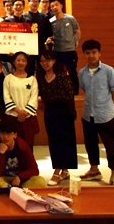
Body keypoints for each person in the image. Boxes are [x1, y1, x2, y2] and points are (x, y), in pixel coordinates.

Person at [78, 39, 114, 186]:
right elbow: (83, 89)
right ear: (84, 54)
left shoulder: (109, 71)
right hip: (88, 115)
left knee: (110, 145)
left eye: (94, 52)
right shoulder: (82, 72)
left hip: (105, 115)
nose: (91, 55)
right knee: (90, 144)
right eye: (88, 53)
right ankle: (94, 170)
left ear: (99, 53)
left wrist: (109, 104)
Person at [36, 50, 77, 186]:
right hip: (50, 113)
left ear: (54, 61)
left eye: (47, 60)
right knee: (54, 142)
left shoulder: (62, 77)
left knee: (65, 142)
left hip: (64, 114)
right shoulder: (40, 78)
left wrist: (72, 114)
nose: (45, 63)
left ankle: (57, 172)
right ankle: (64, 170)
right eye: (42, 61)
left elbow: (70, 97)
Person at [0, 118, 46, 188]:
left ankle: (12, 191)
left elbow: (34, 170)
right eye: (3, 133)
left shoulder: (23, 146)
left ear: (15, 135)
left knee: (40, 181)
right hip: (4, 178)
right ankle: (15, 191)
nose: (5, 137)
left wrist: (20, 177)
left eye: (9, 134)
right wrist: (1, 154)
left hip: (21, 180)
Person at [3, 51, 39, 149]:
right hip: (12, 116)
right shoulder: (8, 78)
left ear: (27, 63)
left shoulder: (32, 79)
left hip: (28, 117)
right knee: (12, 146)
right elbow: (6, 97)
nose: (21, 63)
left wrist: (25, 113)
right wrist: (18, 111)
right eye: (18, 60)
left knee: (28, 146)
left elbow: (34, 97)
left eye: (23, 60)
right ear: (14, 62)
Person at [47, 0, 82, 94]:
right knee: (57, 73)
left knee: (72, 72)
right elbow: (50, 35)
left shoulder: (70, 18)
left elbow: (77, 32)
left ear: (61, 5)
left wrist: (74, 43)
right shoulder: (51, 21)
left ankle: (75, 93)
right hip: (57, 51)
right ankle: (59, 92)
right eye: (52, 6)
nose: (55, 7)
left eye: (56, 5)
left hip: (70, 51)